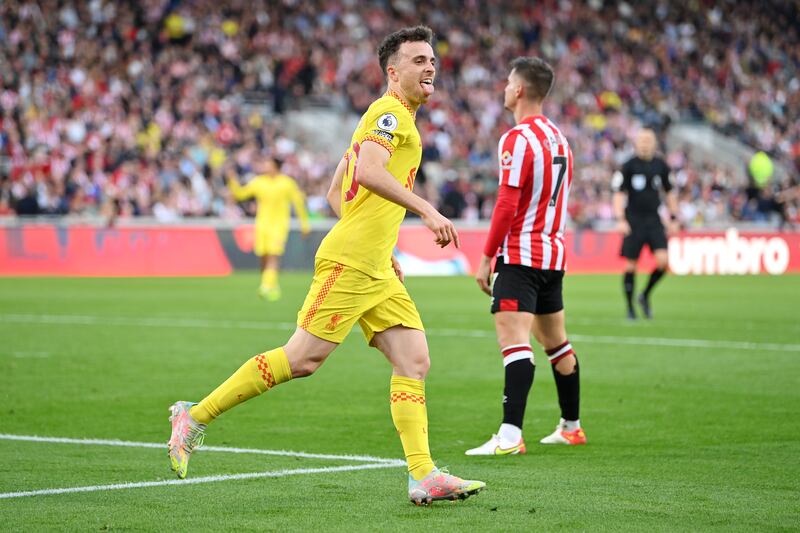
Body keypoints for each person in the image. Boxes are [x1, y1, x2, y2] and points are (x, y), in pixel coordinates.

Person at [168, 25, 485, 506]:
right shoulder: (388, 113)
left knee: (413, 360)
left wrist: (382, 248)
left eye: (432, 60)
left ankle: (422, 474)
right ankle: (195, 416)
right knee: (302, 359)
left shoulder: (389, 118)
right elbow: (368, 173)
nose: (430, 68)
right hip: (352, 261)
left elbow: (336, 193)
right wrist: (426, 210)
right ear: (392, 72)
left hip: (376, 265)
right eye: (418, 61)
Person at [467, 57, 586, 456]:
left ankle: (510, 436)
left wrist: (486, 257)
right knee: (557, 343)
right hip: (554, 256)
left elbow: (507, 203)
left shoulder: (516, 139)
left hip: (521, 255)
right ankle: (571, 427)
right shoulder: (559, 138)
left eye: (507, 81)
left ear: (519, 90)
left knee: (514, 343)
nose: (504, 87)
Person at [612, 129, 679, 319]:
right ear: (636, 143)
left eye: (648, 140)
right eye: (641, 140)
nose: (645, 144)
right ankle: (630, 308)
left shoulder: (661, 166)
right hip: (633, 220)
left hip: (654, 219)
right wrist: (620, 219)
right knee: (631, 265)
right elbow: (618, 193)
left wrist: (673, 218)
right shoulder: (628, 166)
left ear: (655, 143)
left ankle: (645, 295)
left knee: (663, 262)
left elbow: (670, 192)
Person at [227, 156, 311, 300]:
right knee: (264, 257)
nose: (265, 166)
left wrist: (304, 224)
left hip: (279, 226)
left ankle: (266, 286)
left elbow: (298, 203)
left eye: (268, 163)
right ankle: (271, 286)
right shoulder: (259, 182)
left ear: (276, 166)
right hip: (262, 225)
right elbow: (241, 194)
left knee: (273, 255)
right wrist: (232, 181)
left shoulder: (287, 183)